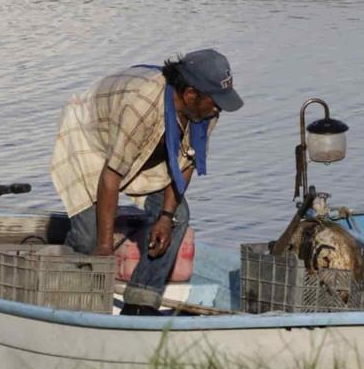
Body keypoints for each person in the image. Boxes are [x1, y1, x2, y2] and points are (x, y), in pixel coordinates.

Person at [50, 49, 243, 315]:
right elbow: (111, 176)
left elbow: (187, 162)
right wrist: (104, 247)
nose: (219, 108)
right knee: (88, 237)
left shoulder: (205, 112)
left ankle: (140, 302)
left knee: (177, 217)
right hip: (92, 137)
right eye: (215, 101)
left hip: (149, 146)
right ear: (190, 94)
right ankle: (63, 301)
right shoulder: (140, 104)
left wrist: (165, 216)